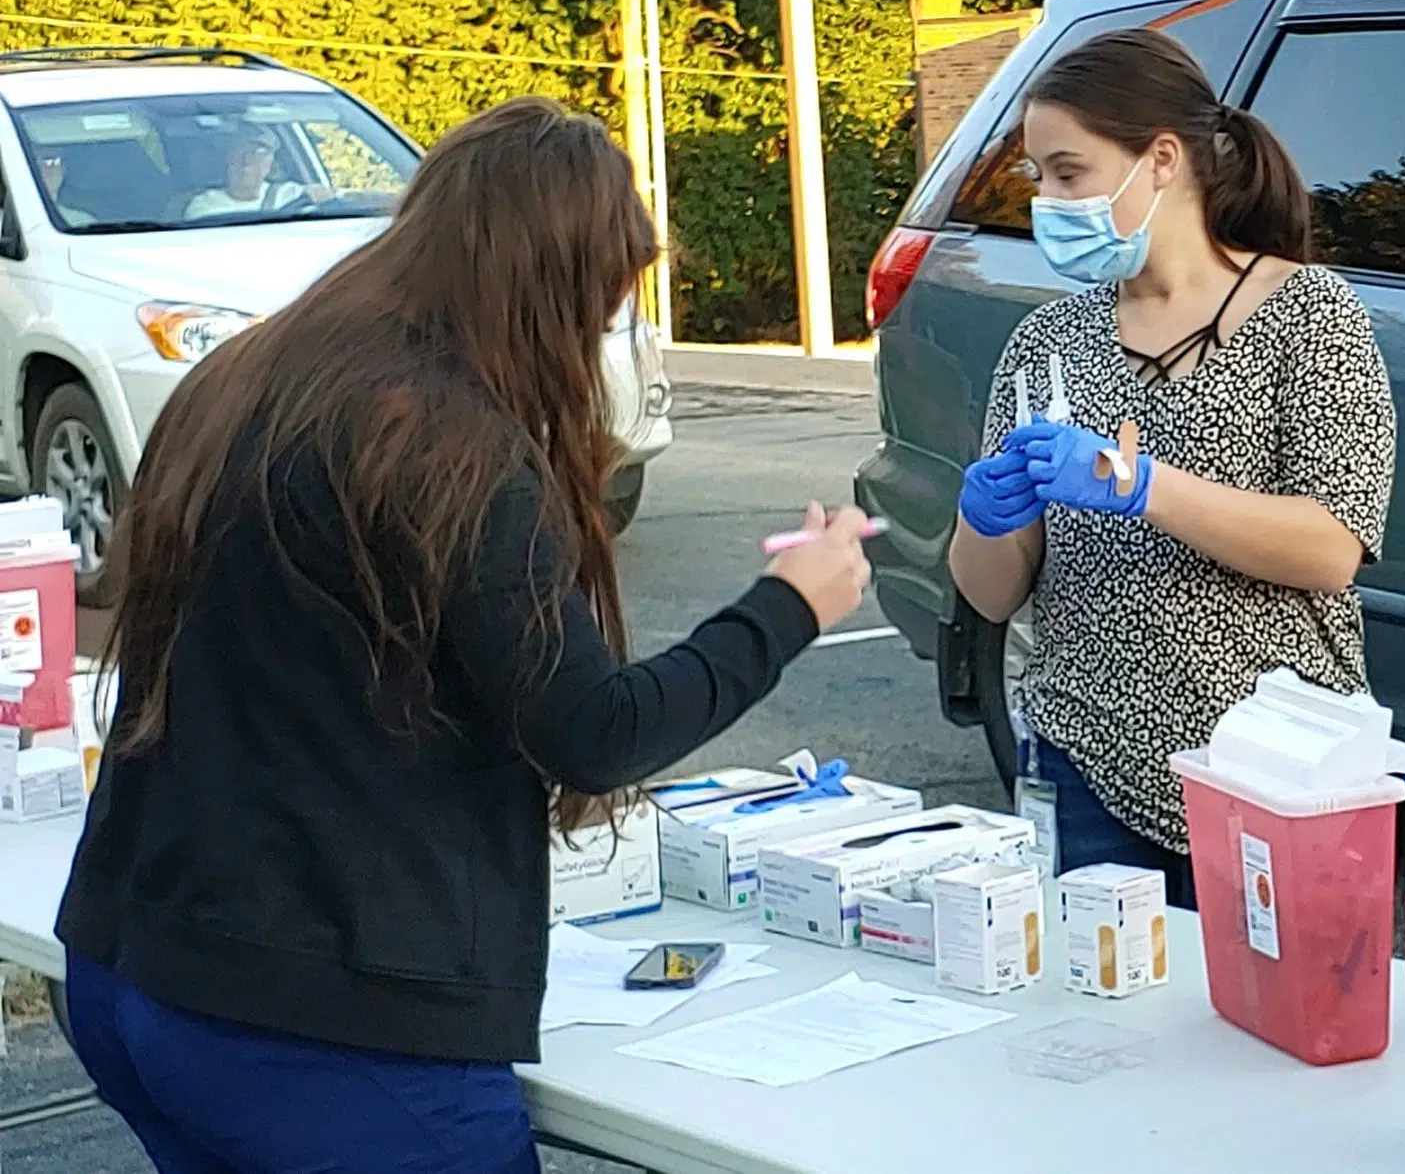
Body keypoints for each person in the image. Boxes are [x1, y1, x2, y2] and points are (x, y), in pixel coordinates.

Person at [52, 98, 873, 1173]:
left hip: (136, 965)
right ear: (554, 285)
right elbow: (591, 727)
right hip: (318, 1028)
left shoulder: (250, 375)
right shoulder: (445, 448)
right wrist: (789, 606)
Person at [946, 29, 1395, 908]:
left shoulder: (1309, 315)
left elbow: (1332, 545)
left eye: (1069, 173)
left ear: (1160, 160)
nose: (1049, 201)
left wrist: (1146, 487)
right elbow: (993, 594)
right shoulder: (1048, 343)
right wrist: (983, 521)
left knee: (1271, 1036)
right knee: (1103, 1034)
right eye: (1039, 177)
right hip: (1084, 759)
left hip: (1278, 773)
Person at [183, 128, 333, 219]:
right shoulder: (205, 207)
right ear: (227, 159)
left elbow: (339, 199)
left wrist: (325, 195)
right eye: (240, 150)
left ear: (271, 162)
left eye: (259, 152)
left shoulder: (292, 194)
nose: (247, 159)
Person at [36, 148, 94, 227]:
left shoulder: (82, 221)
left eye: (56, 162)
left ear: (64, 169)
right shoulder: (18, 215)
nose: (50, 169)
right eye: (43, 162)